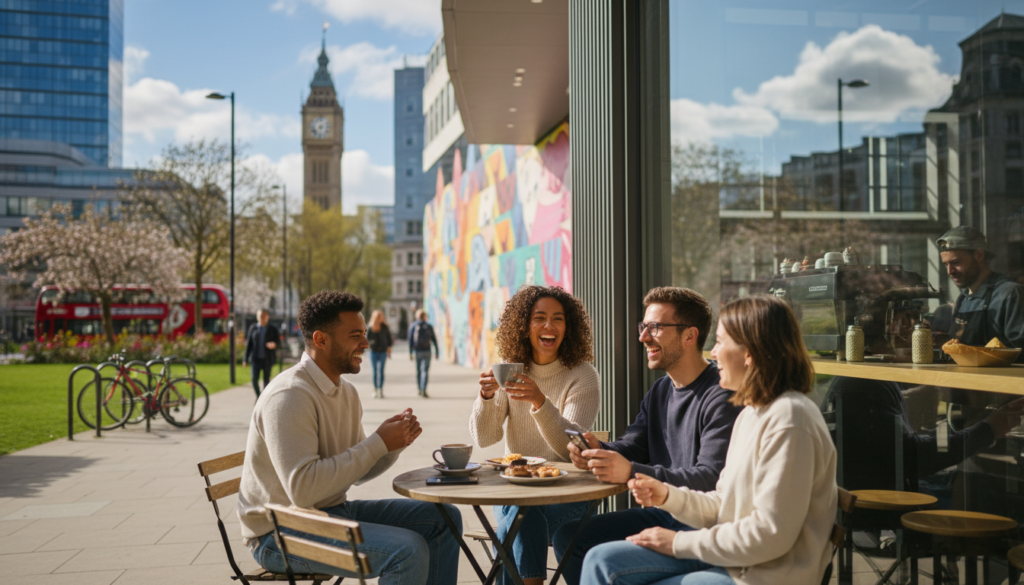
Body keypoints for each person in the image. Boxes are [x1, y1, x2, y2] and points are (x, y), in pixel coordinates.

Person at [582, 295, 838, 585]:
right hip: (735, 562)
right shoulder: (752, 415)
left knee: (607, 566)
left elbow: (770, 534)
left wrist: (677, 542)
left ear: (749, 353)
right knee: (599, 559)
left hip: (762, 575)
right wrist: (666, 495)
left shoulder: (790, 420)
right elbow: (724, 501)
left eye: (719, 342)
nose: (713, 353)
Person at [237, 291, 462, 584]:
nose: (366, 344)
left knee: (444, 518)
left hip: (329, 512)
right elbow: (303, 491)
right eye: (355, 335)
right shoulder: (290, 396)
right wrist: (378, 442)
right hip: (279, 534)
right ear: (321, 340)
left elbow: (356, 472)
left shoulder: (345, 391)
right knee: (407, 551)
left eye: (365, 334)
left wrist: (393, 444)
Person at [552, 287, 743, 585]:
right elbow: (634, 445)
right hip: (666, 514)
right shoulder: (662, 390)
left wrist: (630, 471)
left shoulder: (721, 395)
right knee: (570, 537)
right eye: (644, 327)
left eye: (655, 327)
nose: (643, 337)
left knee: (602, 560)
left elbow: (710, 479)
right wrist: (598, 450)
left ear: (689, 336)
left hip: (702, 526)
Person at [471, 285, 601, 585]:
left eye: (558, 319)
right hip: (515, 491)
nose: (549, 326)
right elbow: (485, 437)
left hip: (568, 494)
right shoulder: (513, 371)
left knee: (512, 525)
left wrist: (539, 402)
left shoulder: (582, 375)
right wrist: (486, 398)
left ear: (568, 328)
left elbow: (573, 447)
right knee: (521, 511)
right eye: (539, 318)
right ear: (524, 326)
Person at [937, 225, 1024, 353]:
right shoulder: (963, 299)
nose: (950, 271)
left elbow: (1020, 351)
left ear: (979, 255)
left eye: (956, 263)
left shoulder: (1010, 294)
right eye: (946, 264)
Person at [243, 309, 280, 398]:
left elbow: (278, 342)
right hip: (255, 359)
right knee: (254, 379)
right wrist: (245, 358)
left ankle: (264, 398)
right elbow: (249, 344)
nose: (262, 317)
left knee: (266, 380)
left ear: (268, 317)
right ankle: (259, 396)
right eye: (260, 315)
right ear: (257, 316)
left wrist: (274, 345)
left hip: (267, 359)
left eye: (264, 316)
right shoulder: (253, 328)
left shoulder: (272, 329)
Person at [408, 309, 439, 397]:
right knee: (425, 371)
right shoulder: (429, 326)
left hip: (417, 351)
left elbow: (410, 340)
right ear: (425, 316)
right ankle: (424, 389)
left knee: (418, 371)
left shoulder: (413, 326)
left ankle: (419, 389)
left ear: (417, 316)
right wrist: (436, 351)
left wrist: (410, 352)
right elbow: (434, 339)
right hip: (427, 350)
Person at [367, 309, 393, 399]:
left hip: (382, 352)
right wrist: (371, 344)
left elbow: (389, 339)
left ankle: (380, 390)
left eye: (381, 316)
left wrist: (389, 348)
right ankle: (375, 389)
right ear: (374, 317)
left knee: (381, 371)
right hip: (373, 352)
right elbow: (366, 340)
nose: (380, 318)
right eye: (378, 316)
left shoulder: (385, 327)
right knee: (374, 371)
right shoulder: (370, 327)